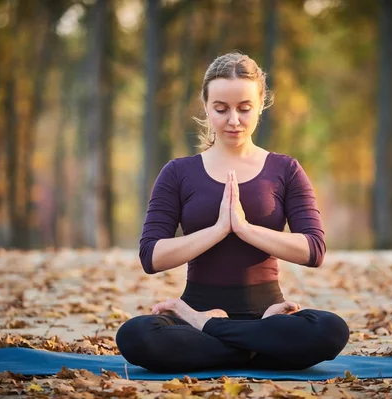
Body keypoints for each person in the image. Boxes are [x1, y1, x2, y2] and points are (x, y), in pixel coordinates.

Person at [116, 52, 349, 373]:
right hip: (196, 312)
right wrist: (218, 230)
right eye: (221, 109)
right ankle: (256, 349)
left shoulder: (285, 169)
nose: (234, 120)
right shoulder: (178, 172)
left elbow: (314, 250)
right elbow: (151, 257)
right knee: (135, 336)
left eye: (244, 108)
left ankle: (220, 337)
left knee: (331, 329)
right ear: (206, 105)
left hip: (269, 317)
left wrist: (245, 228)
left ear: (261, 104)